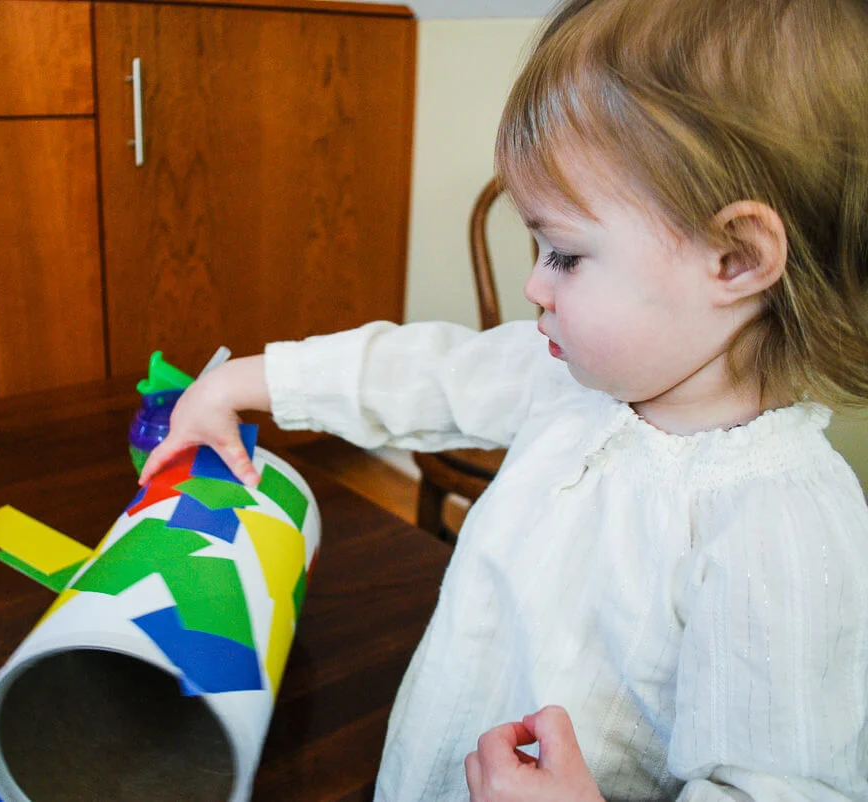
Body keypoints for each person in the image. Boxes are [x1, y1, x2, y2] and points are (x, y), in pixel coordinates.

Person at [140, 0, 868, 798]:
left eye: (564, 253)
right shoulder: (569, 382)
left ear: (734, 257)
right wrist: (240, 382)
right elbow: (421, 371)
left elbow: (782, 784)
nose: (532, 285)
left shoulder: (785, 529)